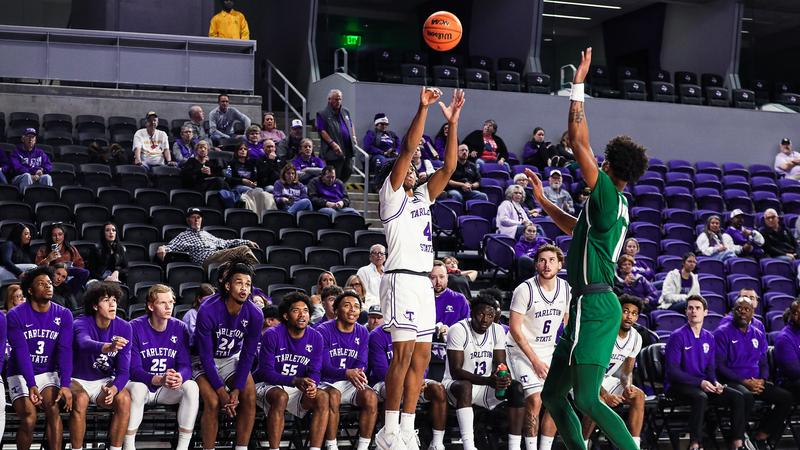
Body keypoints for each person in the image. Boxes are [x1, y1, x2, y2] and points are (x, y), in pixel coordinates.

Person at [530, 48, 648, 450]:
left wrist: (577, 83)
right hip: (590, 304)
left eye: (602, 160)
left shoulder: (607, 196)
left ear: (611, 165)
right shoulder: (611, 205)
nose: (596, 160)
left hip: (595, 305)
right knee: (552, 396)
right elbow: (574, 226)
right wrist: (545, 203)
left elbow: (578, 141)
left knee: (584, 397)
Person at [373, 87, 464, 450]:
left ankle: (408, 428)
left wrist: (453, 124)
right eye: (407, 168)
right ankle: (389, 428)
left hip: (423, 284)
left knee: (422, 359)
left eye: (413, 169)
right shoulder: (391, 195)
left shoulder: (423, 196)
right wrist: (422, 108)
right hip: (399, 280)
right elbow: (409, 148)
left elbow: (450, 167)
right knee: (404, 355)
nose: (413, 168)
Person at [193, 260, 262, 450]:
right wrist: (222, 391)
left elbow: (248, 354)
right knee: (214, 401)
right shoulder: (207, 309)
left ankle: (241, 447)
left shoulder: (255, 314)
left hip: (230, 358)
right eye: (239, 282)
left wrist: (237, 389)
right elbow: (206, 356)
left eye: (248, 284)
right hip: (203, 359)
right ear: (227, 285)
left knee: (249, 394)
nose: (244, 288)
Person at [665, 295, 748, 450]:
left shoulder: (709, 337)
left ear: (705, 312)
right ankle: (695, 444)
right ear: (686, 312)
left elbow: (710, 369)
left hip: (701, 384)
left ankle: (737, 443)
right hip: (678, 385)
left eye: (697, 308)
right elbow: (673, 371)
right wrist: (700, 383)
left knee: (737, 396)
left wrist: (715, 382)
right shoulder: (677, 336)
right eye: (690, 308)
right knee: (701, 397)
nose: (693, 311)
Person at [507, 244, 569, 450]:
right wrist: (534, 361)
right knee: (535, 399)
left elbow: (568, 324)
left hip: (548, 351)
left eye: (552, 260)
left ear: (560, 264)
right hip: (521, 350)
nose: (547, 264)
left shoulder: (566, 290)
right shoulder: (524, 290)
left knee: (555, 400)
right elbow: (515, 329)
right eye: (542, 260)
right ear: (536, 265)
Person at [7, 266, 73, 450]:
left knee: (53, 410)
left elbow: (66, 351)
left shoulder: (64, 314)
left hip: (48, 372)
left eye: (50, 283)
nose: (48, 286)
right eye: (41, 284)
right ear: (30, 290)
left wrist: (66, 385)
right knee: (30, 416)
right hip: (20, 372)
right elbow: (21, 352)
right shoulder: (15, 315)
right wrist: (31, 384)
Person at [253, 292, 328, 450]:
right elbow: (266, 372)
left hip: (296, 386)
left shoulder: (316, 337)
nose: (302, 315)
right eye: (296, 310)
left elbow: (315, 370)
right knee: (281, 396)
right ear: (286, 316)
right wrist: (294, 381)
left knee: (322, 397)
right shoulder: (272, 335)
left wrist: (312, 385)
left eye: (306, 310)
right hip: (267, 385)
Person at [127, 284, 198, 450]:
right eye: (163, 303)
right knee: (137, 389)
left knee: (191, 387)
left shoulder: (180, 327)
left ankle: (182, 447)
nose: (169, 307)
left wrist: (180, 376)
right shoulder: (134, 327)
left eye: (171, 302)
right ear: (151, 306)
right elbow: (134, 370)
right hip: (142, 385)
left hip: (166, 388)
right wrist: (160, 379)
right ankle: (129, 446)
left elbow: (186, 365)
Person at [714, 297, 791, 449]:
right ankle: (739, 438)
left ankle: (761, 435)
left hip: (755, 381)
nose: (742, 312)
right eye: (739, 309)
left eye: (747, 309)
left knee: (786, 398)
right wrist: (744, 382)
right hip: (732, 381)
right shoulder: (721, 333)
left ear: (753, 313)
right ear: (733, 311)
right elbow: (720, 366)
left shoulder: (758, 333)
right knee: (745, 395)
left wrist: (762, 380)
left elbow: (763, 362)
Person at [442, 295, 516, 450]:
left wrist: (504, 377)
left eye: (490, 316)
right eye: (480, 314)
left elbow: (500, 363)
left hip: (485, 386)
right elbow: (456, 371)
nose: (485, 320)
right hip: (456, 387)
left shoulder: (497, 330)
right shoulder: (458, 330)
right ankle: (469, 446)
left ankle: (515, 445)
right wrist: (488, 380)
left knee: (517, 389)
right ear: (472, 313)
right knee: (465, 386)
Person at [368, 312, 448, 450]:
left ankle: (436, 442)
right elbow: (381, 370)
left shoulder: (415, 331)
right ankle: (389, 434)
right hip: (383, 382)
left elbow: (422, 363)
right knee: (394, 390)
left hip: (411, 380)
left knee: (438, 390)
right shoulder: (377, 335)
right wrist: (408, 383)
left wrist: (420, 379)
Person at [70, 282, 132, 450]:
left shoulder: (124, 327)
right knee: (81, 399)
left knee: (124, 399)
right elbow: (84, 343)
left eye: (114, 299)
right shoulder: (81, 323)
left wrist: (115, 388)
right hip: (76, 378)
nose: (112, 304)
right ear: (95, 305)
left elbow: (124, 371)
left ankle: (115, 448)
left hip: (102, 380)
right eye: (106, 300)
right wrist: (107, 347)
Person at [580, 295, 645, 450]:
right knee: (597, 402)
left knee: (638, 395)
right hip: (583, 379)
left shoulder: (636, 338)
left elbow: (626, 372)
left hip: (606, 379)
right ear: (617, 312)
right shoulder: (603, 332)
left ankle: (634, 445)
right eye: (626, 311)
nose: (629, 316)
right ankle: (581, 444)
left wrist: (627, 386)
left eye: (634, 313)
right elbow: (587, 372)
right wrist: (605, 394)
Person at [316, 291, 377, 450]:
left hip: (350, 380)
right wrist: (346, 373)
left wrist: (354, 374)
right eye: (347, 305)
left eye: (356, 307)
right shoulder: (323, 330)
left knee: (371, 397)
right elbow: (323, 366)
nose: (352, 310)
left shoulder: (362, 331)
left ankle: (363, 447)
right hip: (326, 381)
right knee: (334, 395)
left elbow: (362, 361)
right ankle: (331, 445)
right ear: (336, 310)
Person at [157, 208, 259, 271]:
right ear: (188, 220)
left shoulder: (206, 234)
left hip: (218, 257)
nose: (196, 220)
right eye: (193, 217)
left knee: (240, 262)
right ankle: (257, 272)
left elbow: (225, 242)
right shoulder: (184, 235)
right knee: (243, 250)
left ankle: (250, 273)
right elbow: (171, 246)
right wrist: (162, 248)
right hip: (205, 261)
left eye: (198, 217)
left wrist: (247, 241)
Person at [35, 223, 90, 292]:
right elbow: (37, 269)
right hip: (51, 278)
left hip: (67, 278)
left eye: (60, 234)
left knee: (85, 272)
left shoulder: (71, 249)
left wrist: (67, 269)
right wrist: (48, 260)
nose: (57, 237)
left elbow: (80, 265)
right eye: (54, 235)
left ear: (64, 236)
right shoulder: (43, 249)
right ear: (50, 236)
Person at [317, 89, 357, 183]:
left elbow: (351, 124)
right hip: (333, 150)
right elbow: (322, 131)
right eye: (335, 99)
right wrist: (332, 144)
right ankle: (334, 191)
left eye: (339, 99)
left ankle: (339, 188)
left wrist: (354, 136)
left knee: (349, 169)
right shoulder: (323, 114)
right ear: (329, 99)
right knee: (335, 174)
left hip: (348, 149)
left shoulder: (345, 111)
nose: (338, 101)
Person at [430, 261, 470, 343]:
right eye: (433, 277)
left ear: (447, 277)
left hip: (452, 347)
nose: (438, 282)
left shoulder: (459, 299)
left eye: (442, 277)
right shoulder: (421, 299)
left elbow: (467, 328)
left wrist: (452, 331)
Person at [775, 299, 800, 400]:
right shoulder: (784, 338)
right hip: (789, 382)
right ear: (790, 315)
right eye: (796, 313)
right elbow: (794, 371)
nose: (798, 316)